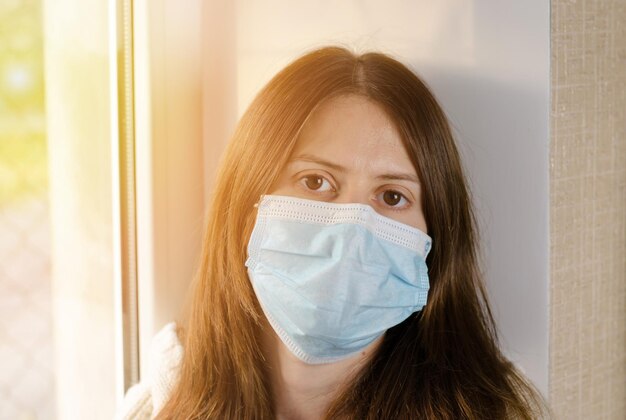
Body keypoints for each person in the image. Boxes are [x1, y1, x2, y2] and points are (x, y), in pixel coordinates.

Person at [117, 45, 549, 419]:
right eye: (315, 181)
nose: (352, 229)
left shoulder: (498, 412)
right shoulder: (161, 405)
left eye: (392, 196)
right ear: (246, 208)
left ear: (434, 239)